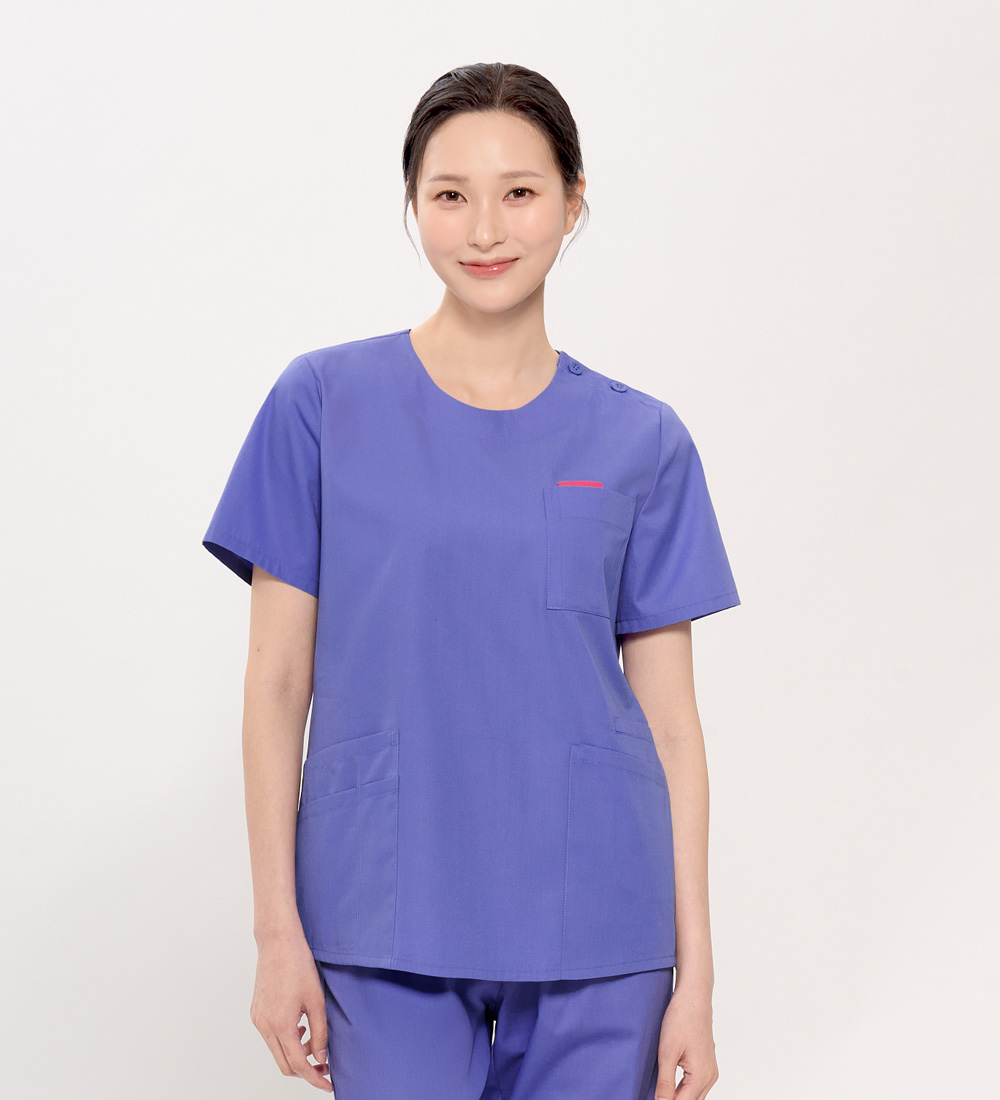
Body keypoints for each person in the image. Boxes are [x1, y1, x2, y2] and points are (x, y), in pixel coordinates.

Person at [202, 61, 741, 1100]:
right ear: (413, 205)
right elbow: (276, 681)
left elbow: (672, 726)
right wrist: (276, 932)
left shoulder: (642, 439)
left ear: (573, 203)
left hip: (597, 916)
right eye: (450, 194)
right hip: (382, 905)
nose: (485, 228)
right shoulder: (321, 405)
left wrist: (698, 979)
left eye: (520, 191)